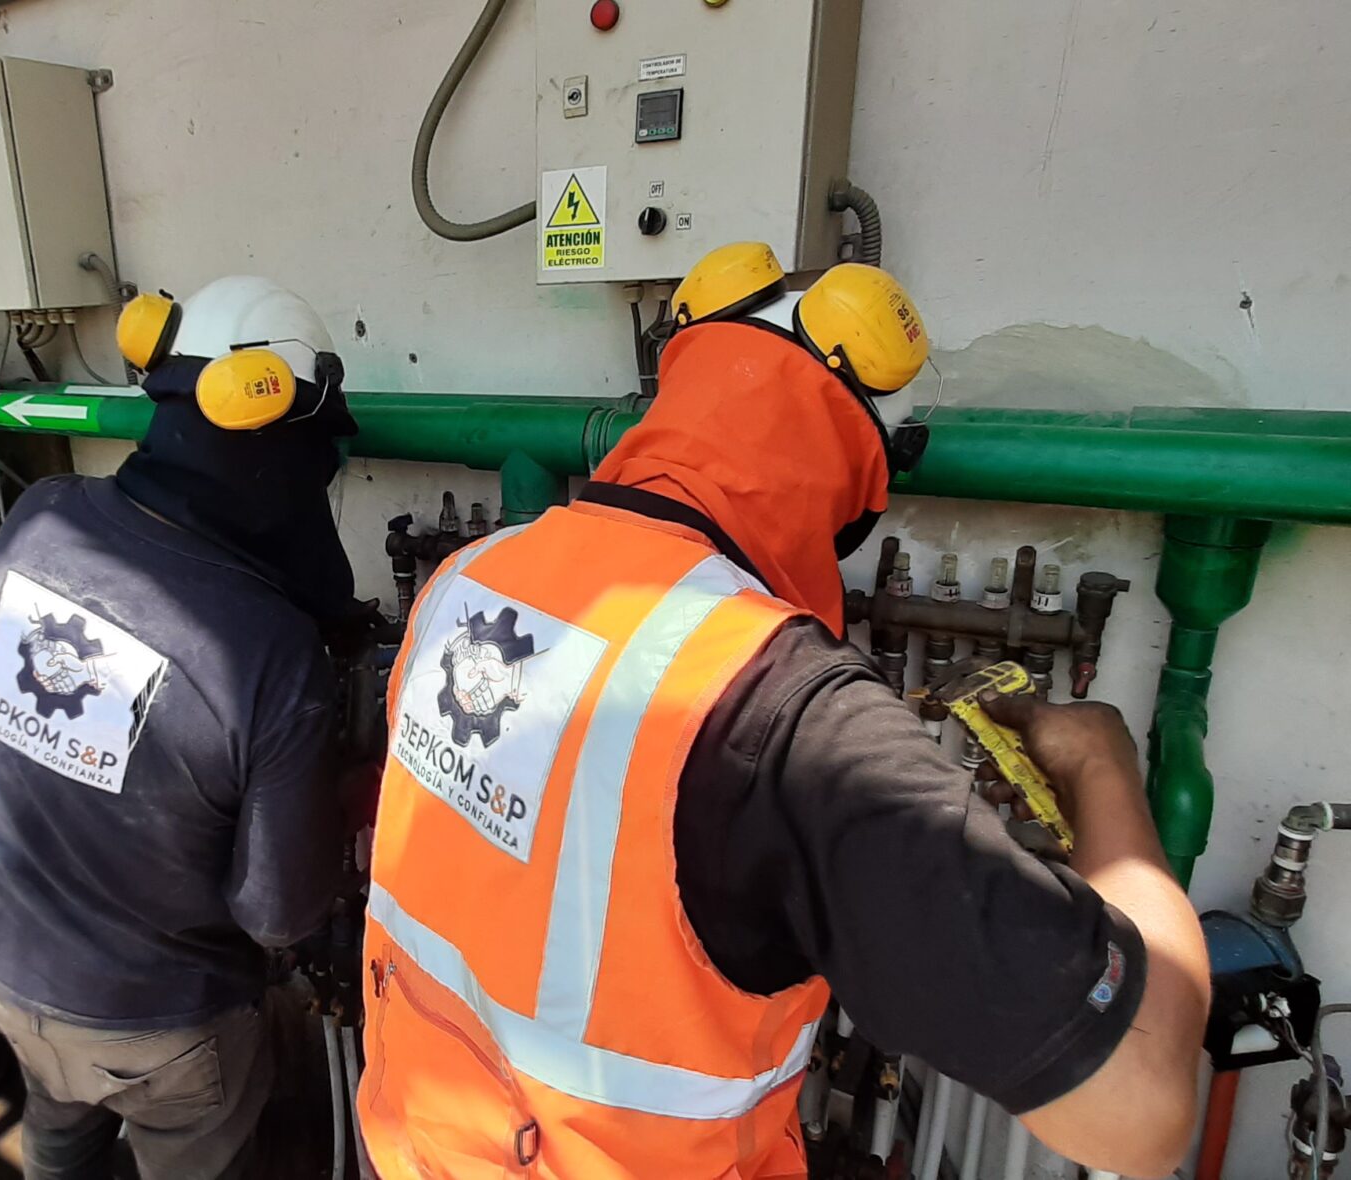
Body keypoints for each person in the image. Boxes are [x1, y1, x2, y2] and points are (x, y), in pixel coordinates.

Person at [356, 244, 1210, 1179]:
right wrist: (1102, 769)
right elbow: (1142, 1107)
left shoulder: (467, 582)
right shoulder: (781, 704)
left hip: (421, 1149)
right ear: (855, 473)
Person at [0, 276, 357, 1178]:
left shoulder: (38, 517)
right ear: (279, 440)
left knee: (58, 1143)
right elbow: (280, 914)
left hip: (10, 972)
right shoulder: (264, 647)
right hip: (162, 1033)